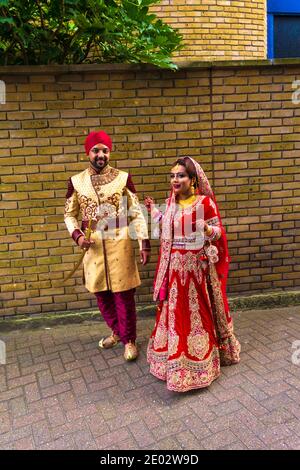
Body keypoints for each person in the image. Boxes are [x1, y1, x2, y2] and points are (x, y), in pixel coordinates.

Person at [145, 156, 240, 392]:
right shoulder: (170, 203)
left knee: (198, 316)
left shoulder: (204, 203)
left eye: (181, 175)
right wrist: (154, 213)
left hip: (196, 271)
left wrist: (207, 229)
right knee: (175, 316)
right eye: (172, 175)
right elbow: (168, 226)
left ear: (193, 179)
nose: (175, 180)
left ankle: (202, 364)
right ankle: (174, 364)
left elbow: (219, 233)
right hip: (174, 271)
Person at [64, 130, 150, 361]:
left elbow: (136, 211)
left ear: (109, 153)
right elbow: (69, 215)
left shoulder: (123, 178)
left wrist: (144, 242)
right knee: (100, 292)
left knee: (123, 294)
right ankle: (117, 332)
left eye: (105, 150)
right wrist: (77, 236)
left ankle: (129, 340)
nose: (100, 154)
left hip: (120, 241)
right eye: (95, 150)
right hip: (92, 245)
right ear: (88, 153)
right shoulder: (76, 181)